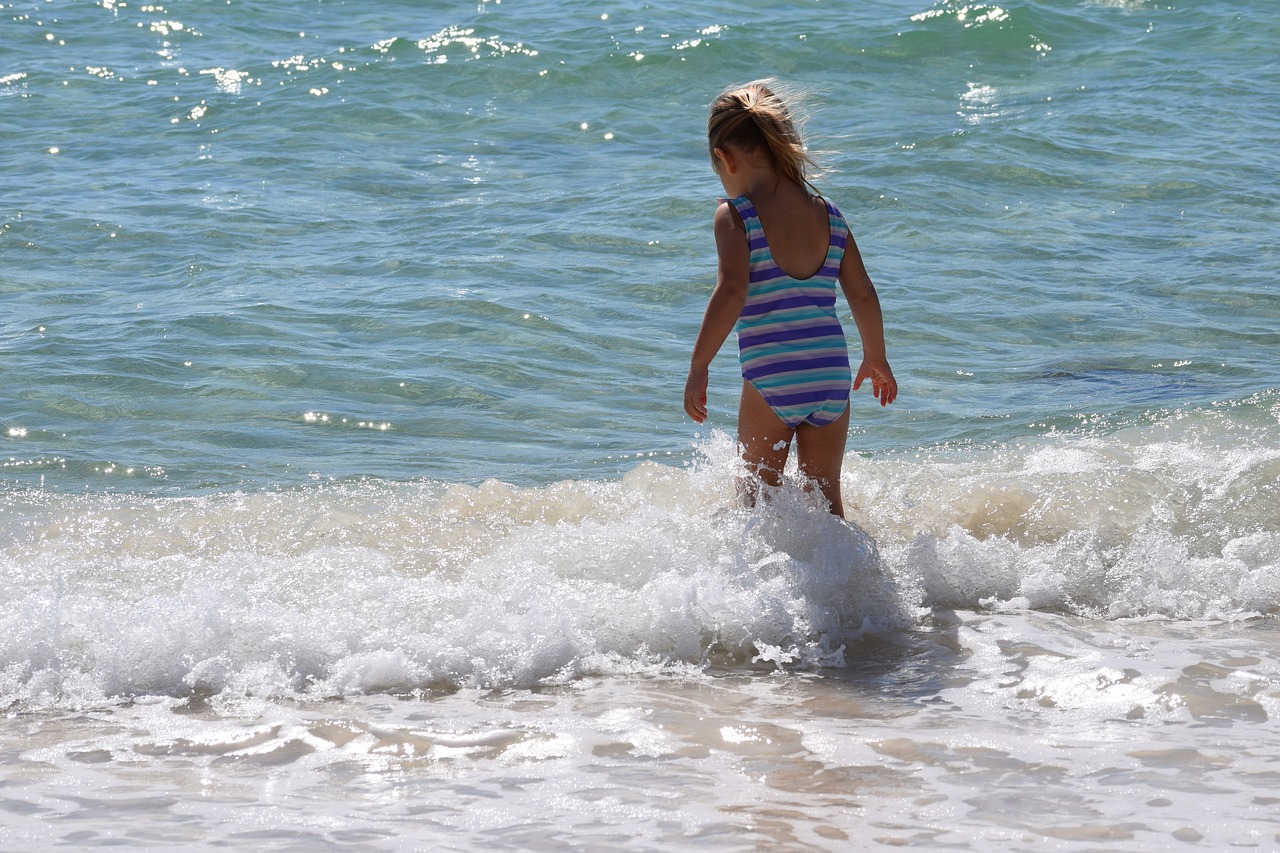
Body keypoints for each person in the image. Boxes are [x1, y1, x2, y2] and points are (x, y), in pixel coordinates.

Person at [683, 79, 897, 518]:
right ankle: (852, 581)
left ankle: (757, 586)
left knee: (755, 502)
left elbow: (731, 293)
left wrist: (699, 365)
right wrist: (875, 355)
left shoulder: (736, 215)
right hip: (831, 372)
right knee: (826, 501)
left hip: (773, 376)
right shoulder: (829, 214)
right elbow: (861, 290)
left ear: (724, 158)